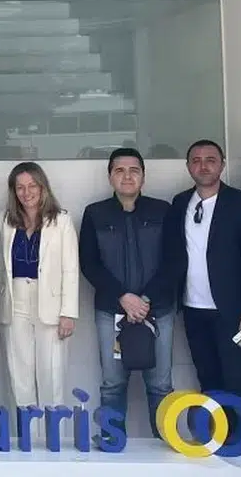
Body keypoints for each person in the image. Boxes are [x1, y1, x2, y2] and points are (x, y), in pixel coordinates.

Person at [169, 139, 241, 439]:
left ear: (222, 165)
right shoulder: (180, 203)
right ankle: (219, 441)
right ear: (188, 167)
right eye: (196, 160)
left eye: (210, 160)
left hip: (231, 312)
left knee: (236, 381)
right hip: (193, 309)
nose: (203, 166)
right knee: (208, 380)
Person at [80, 147, 180, 438]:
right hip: (111, 311)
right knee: (112, 385)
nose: (127, 176)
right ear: (110, 177)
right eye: (119, 170)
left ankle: (165, 445)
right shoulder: (95, 213)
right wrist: (123, 297)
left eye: (134, 170)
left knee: (160, 385)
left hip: (157, 311)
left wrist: (145, 300)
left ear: (143, 177)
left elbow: (175, 260)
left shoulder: (163, 211)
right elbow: (89, 263)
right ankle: (113, 444)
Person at [0, 162, 79, 422]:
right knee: (20, 379)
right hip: (15, 302)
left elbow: (70, 269)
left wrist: (68, 313)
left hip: (50, 304)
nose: (26, 192)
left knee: (51, 377)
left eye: (32, 186)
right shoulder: (4, 220)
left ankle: (54, 441)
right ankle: (26, 441)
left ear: (43, 188)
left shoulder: (61, 220)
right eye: (20, 187)